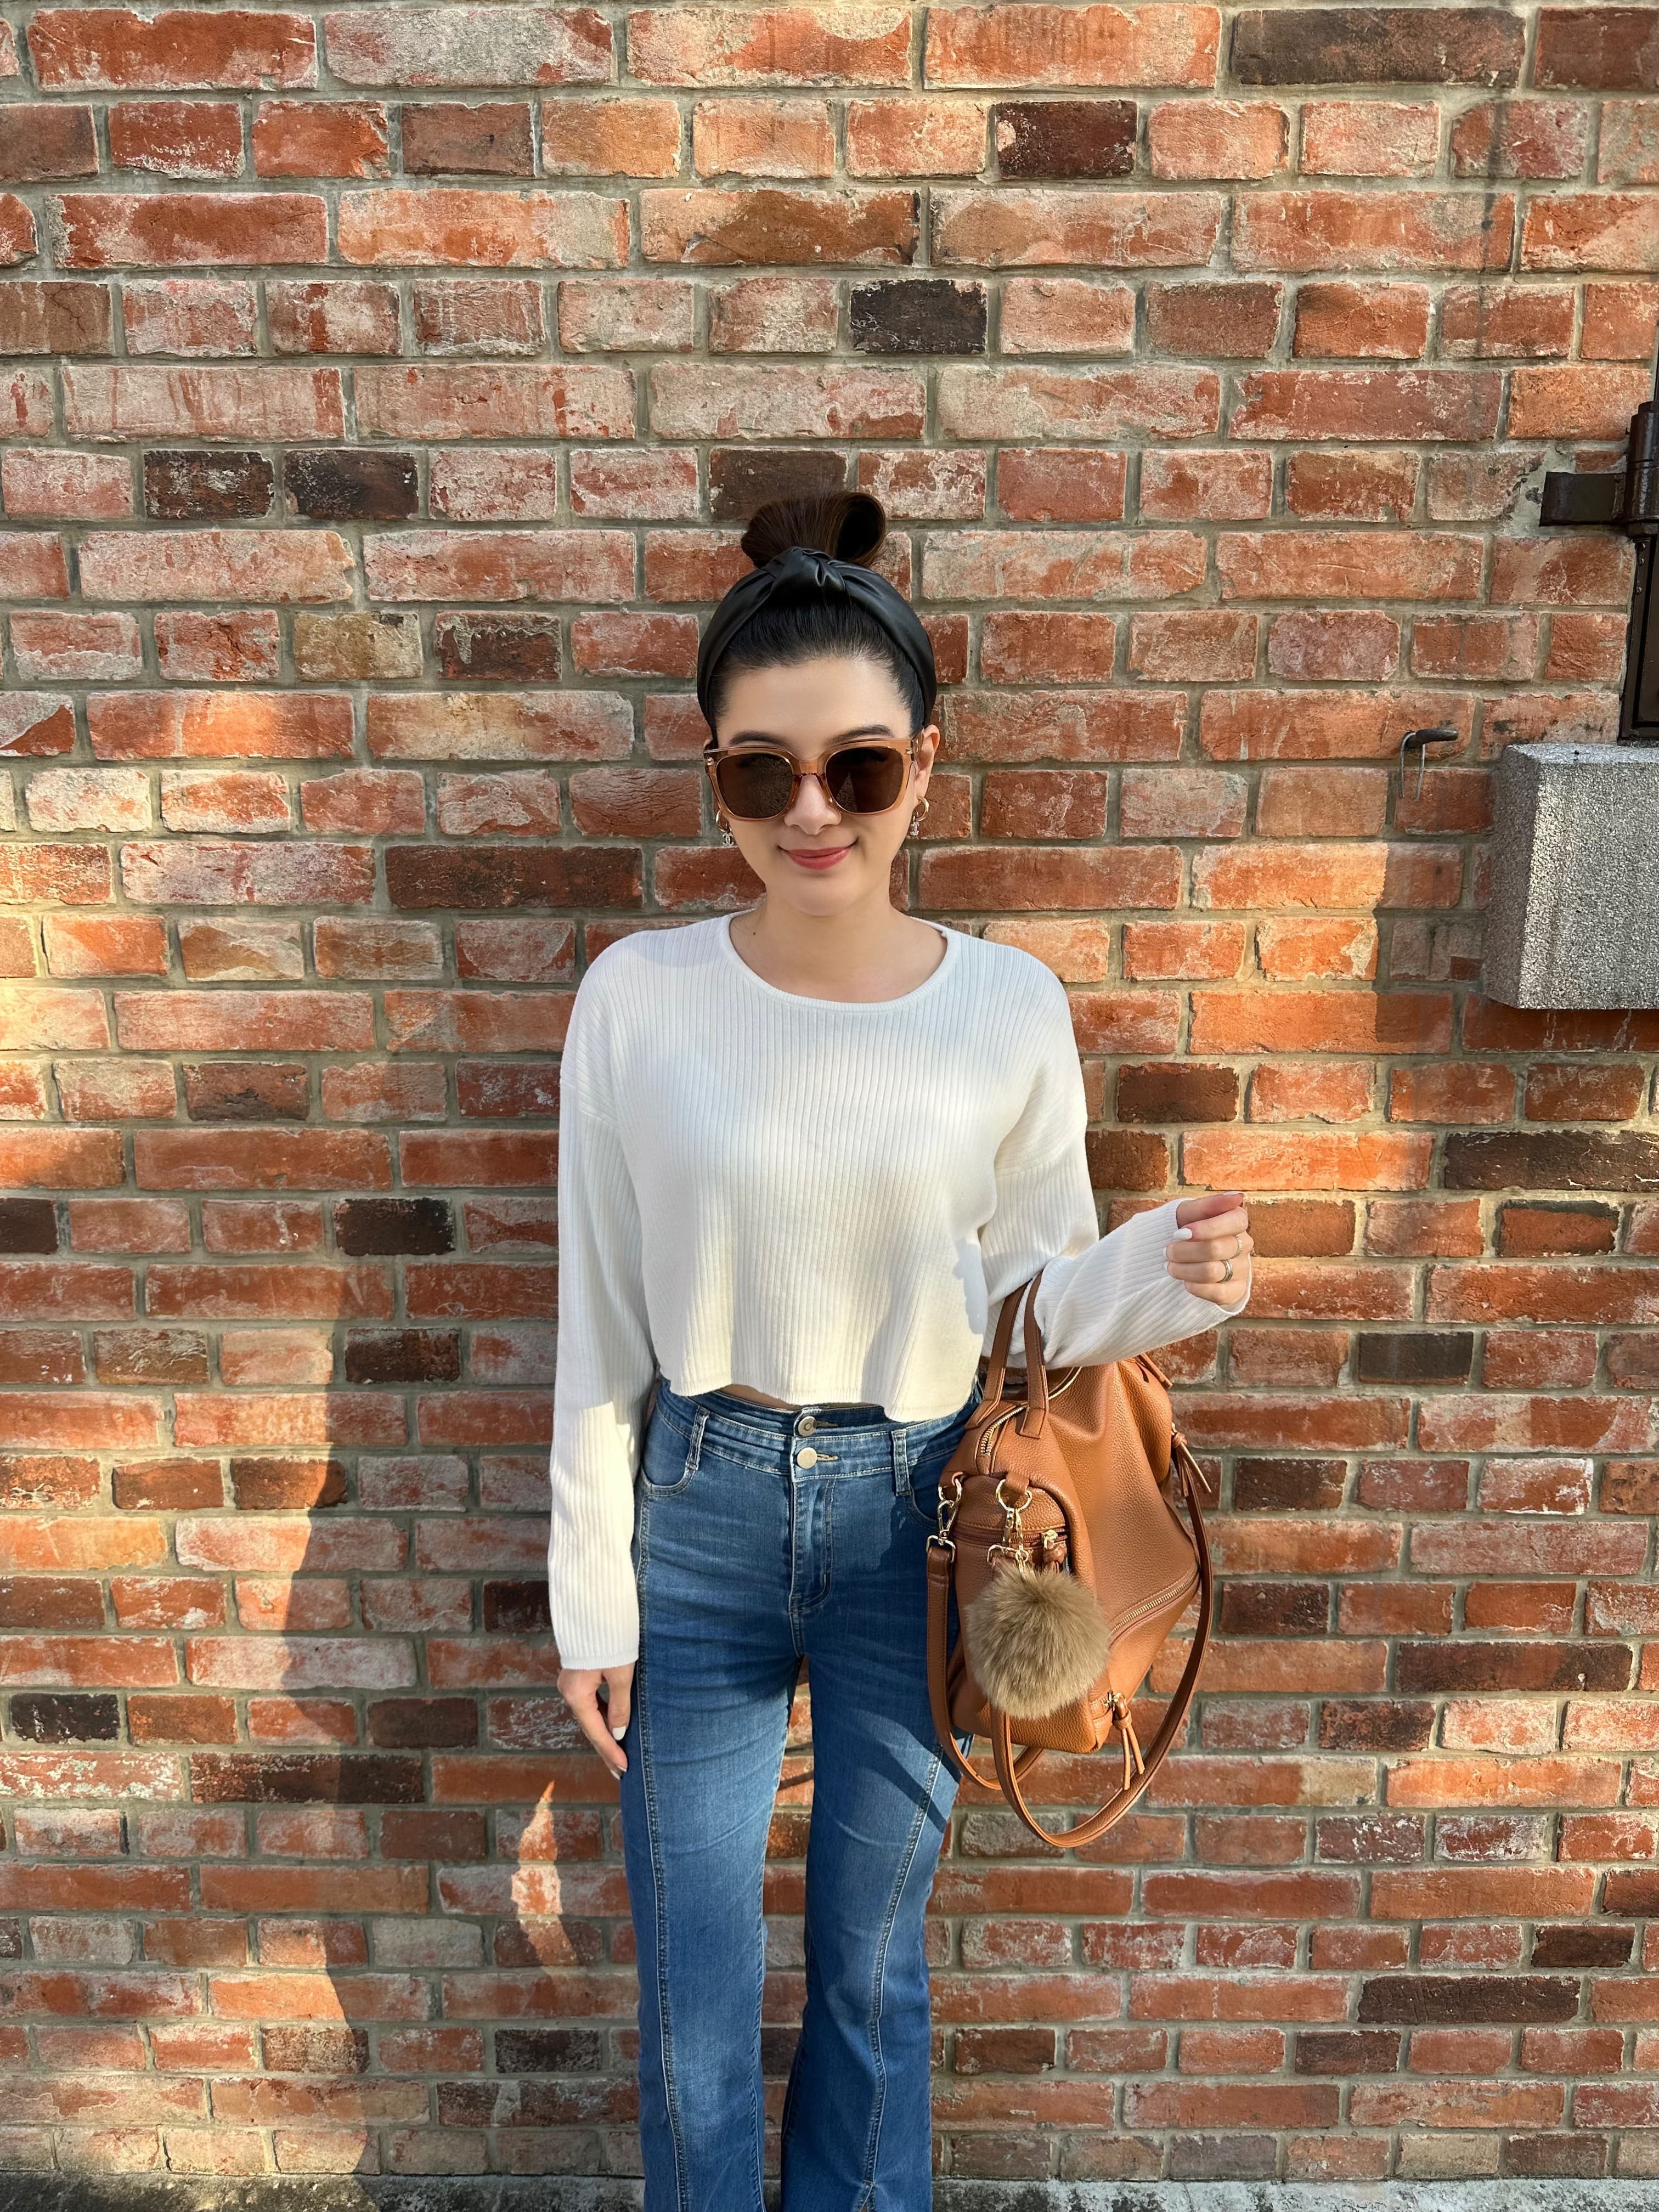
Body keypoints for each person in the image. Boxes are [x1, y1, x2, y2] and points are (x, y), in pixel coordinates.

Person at [548, 489, 1254, 2211]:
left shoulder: (1004, 1005)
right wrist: (590, 1595)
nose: (813, 810)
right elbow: (599, 1311)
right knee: (693, 1992)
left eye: (858, 768)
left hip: (921, 1512)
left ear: (924, 771)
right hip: (699, 1510)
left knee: (874, 1977)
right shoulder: (638, 997)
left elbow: (1032, 1308)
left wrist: (1170, 1278)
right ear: (716, 777)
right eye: (762, 772)